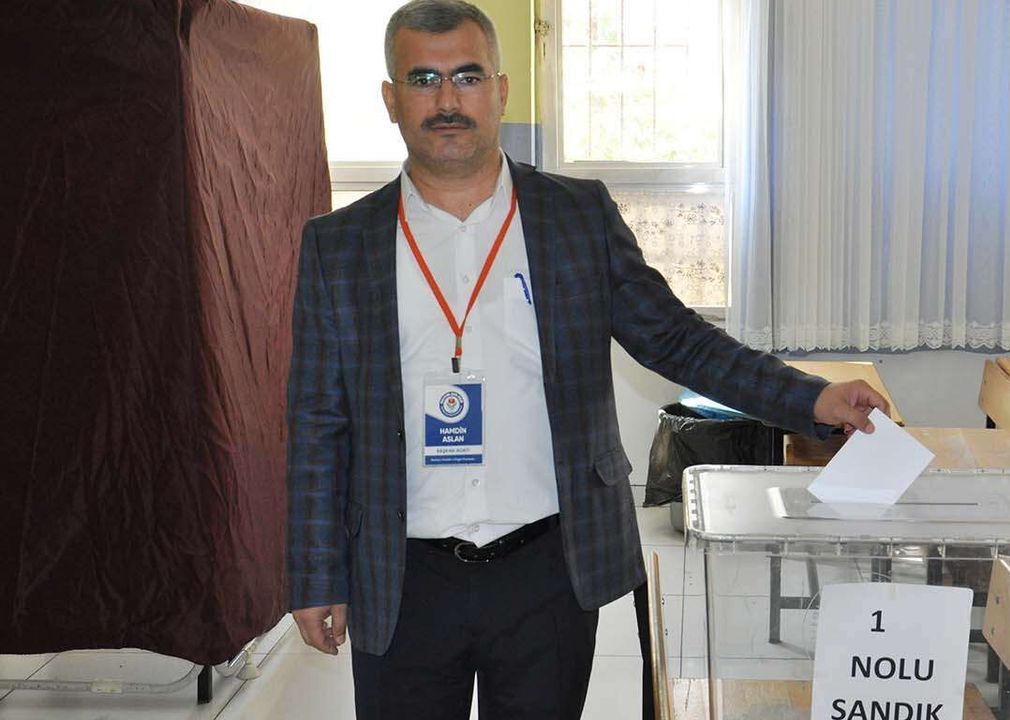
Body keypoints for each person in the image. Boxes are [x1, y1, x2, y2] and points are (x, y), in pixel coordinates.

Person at [285, 1, 889, 717]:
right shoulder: (338, 245)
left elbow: (675, 337)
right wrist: (315, 573)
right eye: (423, 79)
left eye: (467, 76)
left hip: (549, 569)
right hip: (401, 573)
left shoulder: (575, 216)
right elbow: (317, 422)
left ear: (501, 90)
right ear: (391, 99)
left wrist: (808, 397)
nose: (447, 100)